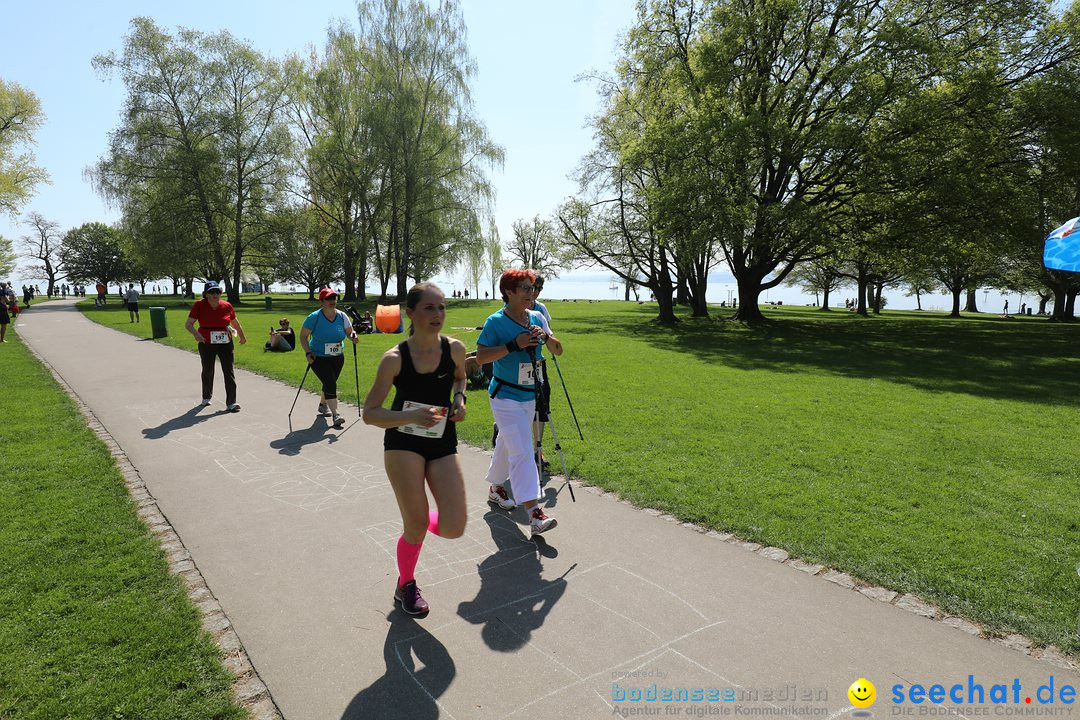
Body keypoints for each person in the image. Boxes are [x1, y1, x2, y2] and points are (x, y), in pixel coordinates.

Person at [361, 282, 468, 615]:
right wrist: (411, 415)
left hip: (441, 440)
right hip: (403, 442)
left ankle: (421, 518)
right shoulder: (394, 359)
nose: (437, 315)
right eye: (429, 308)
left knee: (454, 527)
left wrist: (459, 399)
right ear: (410, 313)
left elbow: (460, 378)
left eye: (441, 308)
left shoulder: (455, 349)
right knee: (416, 524)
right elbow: (370, 414)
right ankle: (405, 584)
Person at [475, 269, 563, 535]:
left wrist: (545, 337)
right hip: (504, 396)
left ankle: (495, 487)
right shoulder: (495, 322)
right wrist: (513, 345)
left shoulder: (536, 317)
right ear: (509, 292)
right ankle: (534, 513)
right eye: (525, 288)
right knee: (524, 449)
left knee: (507, 441)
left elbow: (558, 350)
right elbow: (480, 358)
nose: (531, 293)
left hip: (529, 395)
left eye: (532, 288)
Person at [299, 288, 358, 429]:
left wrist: (353, 337)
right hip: (318, 357)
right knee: (330, 383)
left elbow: (350, 332)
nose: (332, 301)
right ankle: (336, 414)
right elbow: (303, 336)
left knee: (329, 383)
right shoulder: (314, 317)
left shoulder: (342, 316)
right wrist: (308, 353)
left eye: (334, 298)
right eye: (328, 298)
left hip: (338, 357)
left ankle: (322, 404)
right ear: (321, 302)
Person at [184, 281, 246, 411]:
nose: (215, 294)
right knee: (208, 370)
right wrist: (196, 334)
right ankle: (206, 397)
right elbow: (189, 324)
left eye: (217, 292)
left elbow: (235, 323)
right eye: (212, 292)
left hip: (225, 342)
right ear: (205, 294)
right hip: (206, 342)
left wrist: (242, 336)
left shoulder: (227, 305)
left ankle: (231, 402)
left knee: (228, 370)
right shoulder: (199, 305)